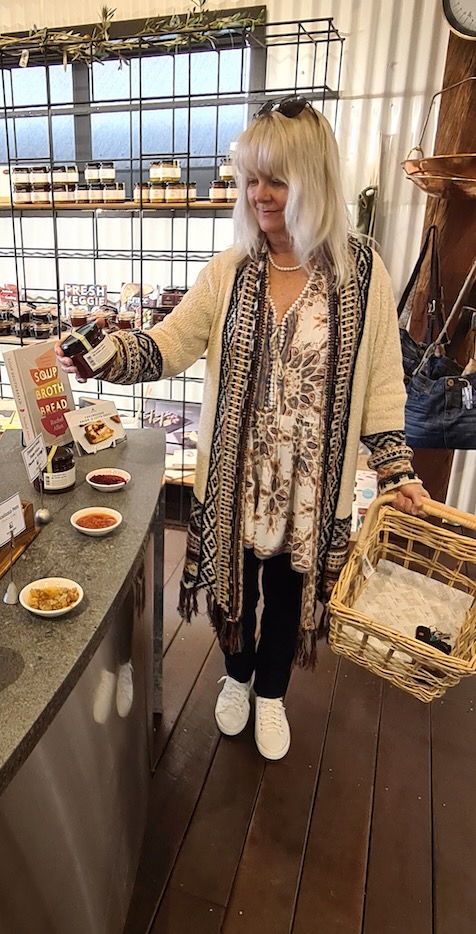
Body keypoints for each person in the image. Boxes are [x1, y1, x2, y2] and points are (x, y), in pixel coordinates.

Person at [56, 96, 428, 761]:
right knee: (238, 591)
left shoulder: (363, 273)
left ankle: (273, 692)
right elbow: (171, 342)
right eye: (251, 177)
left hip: (311, 492)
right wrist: (107, 355)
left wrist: (397, 469)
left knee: (290, 595)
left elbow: (381, 383)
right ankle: (235, 677)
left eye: (276, 179)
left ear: (313, 181)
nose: (259, 194)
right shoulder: (231, 271)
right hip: (236, 480)